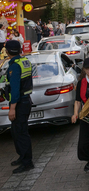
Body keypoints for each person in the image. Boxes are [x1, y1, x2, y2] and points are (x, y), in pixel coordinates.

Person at [4, 40, 34, 174]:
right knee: (16, 131)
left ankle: (27, 163)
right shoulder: (25, 61)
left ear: (8, 51)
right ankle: (23, 157)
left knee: (21, 133)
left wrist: (12, 108)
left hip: (19, 103)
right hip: (26, 100)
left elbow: (15, 90)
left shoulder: (14, 66)